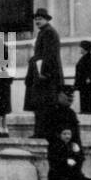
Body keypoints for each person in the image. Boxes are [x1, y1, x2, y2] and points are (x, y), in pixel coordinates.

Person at [39, 89, 83, 180]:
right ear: (59, 95)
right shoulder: (52, 112)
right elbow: (46, 131)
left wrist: (79, 152)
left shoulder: (71, 113)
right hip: (57, 153)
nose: (70, 99)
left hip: (71, 153)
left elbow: (76, 135)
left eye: (72, 97)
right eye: (67, 96)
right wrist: (59, 142)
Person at [25, 8, 63, 137]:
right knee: (41, 106)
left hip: (45, 77)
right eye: (36, 19)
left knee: (43, 106)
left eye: (40, 19)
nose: (37, 21)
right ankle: (40, 132)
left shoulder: (48, 33)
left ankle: (42, 132)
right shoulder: (44, 32)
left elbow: (48, 55)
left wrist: (44, 73)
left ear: (46, 19)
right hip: (44, 75)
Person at [74, 41, 91, 115]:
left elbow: (90, 71)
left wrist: (88, 79)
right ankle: (85, 111)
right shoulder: (86, 57)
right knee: (84, 100)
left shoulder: (90, 58)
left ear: (85, 48)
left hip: (86, 84)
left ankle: (87, 112)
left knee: (87, 101)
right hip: (84, 83)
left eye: (81, 48)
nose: (80, 49)